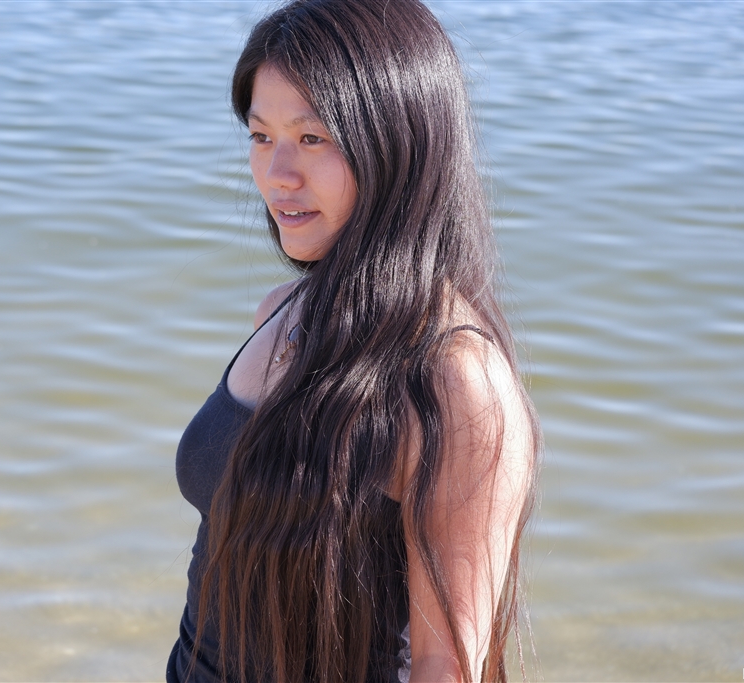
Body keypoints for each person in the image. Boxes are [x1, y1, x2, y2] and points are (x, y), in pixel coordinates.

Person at [168, 0, 541, 681]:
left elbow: (445, 665)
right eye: (261, 136)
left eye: (313, 138)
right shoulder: (280, 311)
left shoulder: (455, 379)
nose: (277, 173)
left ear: (398, 145)